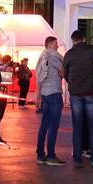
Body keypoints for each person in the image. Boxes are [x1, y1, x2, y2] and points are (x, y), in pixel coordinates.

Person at [62, 29, 93, 168]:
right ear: (84, 39)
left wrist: (72, 83)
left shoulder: (69, 54)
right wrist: (90, 46)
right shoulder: (90, 50)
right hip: (90, 92)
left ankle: (77, 159)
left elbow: (65, 72)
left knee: (77, 126)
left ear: (72, 40)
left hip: (75, 93)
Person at [35, 37, 65, 165]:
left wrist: (38, 97)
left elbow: (39, 79)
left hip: (44, 94)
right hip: (54, 93)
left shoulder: (42, 57)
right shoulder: (54, 57)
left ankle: (40, 154)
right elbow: (63, 73)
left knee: (44, 125)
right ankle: (51, 155)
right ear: (50, 44)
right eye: (56, 43)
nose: (57, 45)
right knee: (53, 125)